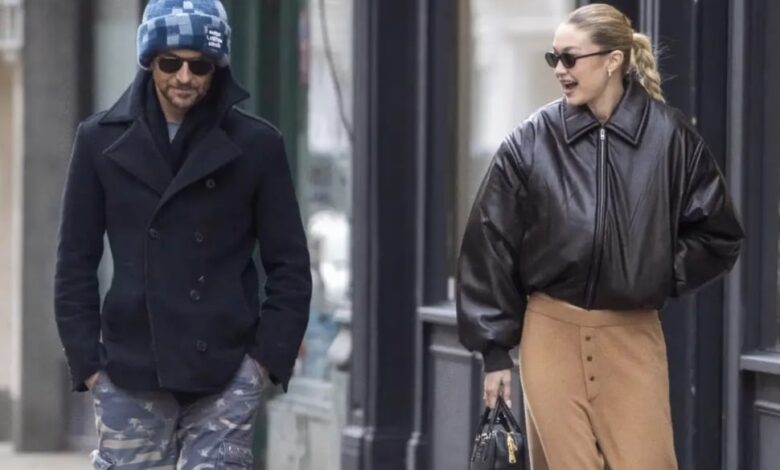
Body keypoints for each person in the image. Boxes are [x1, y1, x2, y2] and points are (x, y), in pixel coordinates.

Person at [456, 3, 743, 469]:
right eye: (554, 58)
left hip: (632, 340)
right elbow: (489, 241)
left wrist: (653, 272)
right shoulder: (532, 140)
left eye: (571, 58)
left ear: (613, 60)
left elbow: (719, 233)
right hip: (550, 335)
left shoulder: (669, 138)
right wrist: (494, 351)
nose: (560, 70)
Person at [54, 0, 312, 468]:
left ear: (217, 66)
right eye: (170, 63)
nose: (185, 77)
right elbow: (75, 262)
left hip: (225, 373)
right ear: (150, 61)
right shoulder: (99, 140)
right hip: (129, 373)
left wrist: (261, 364)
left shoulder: (258, 145)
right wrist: (89, 366)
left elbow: (290, 266)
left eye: (200, 65)